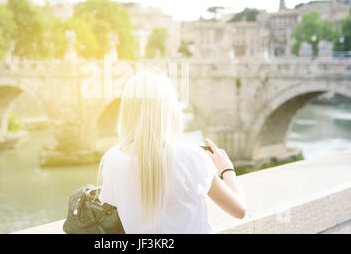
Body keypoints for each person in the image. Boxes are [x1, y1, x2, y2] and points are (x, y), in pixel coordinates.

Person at [98, 70, 246, 233]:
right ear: (168, 109)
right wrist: (227, 170)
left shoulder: (111, 159)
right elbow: (239, 210)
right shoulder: (191, 157)